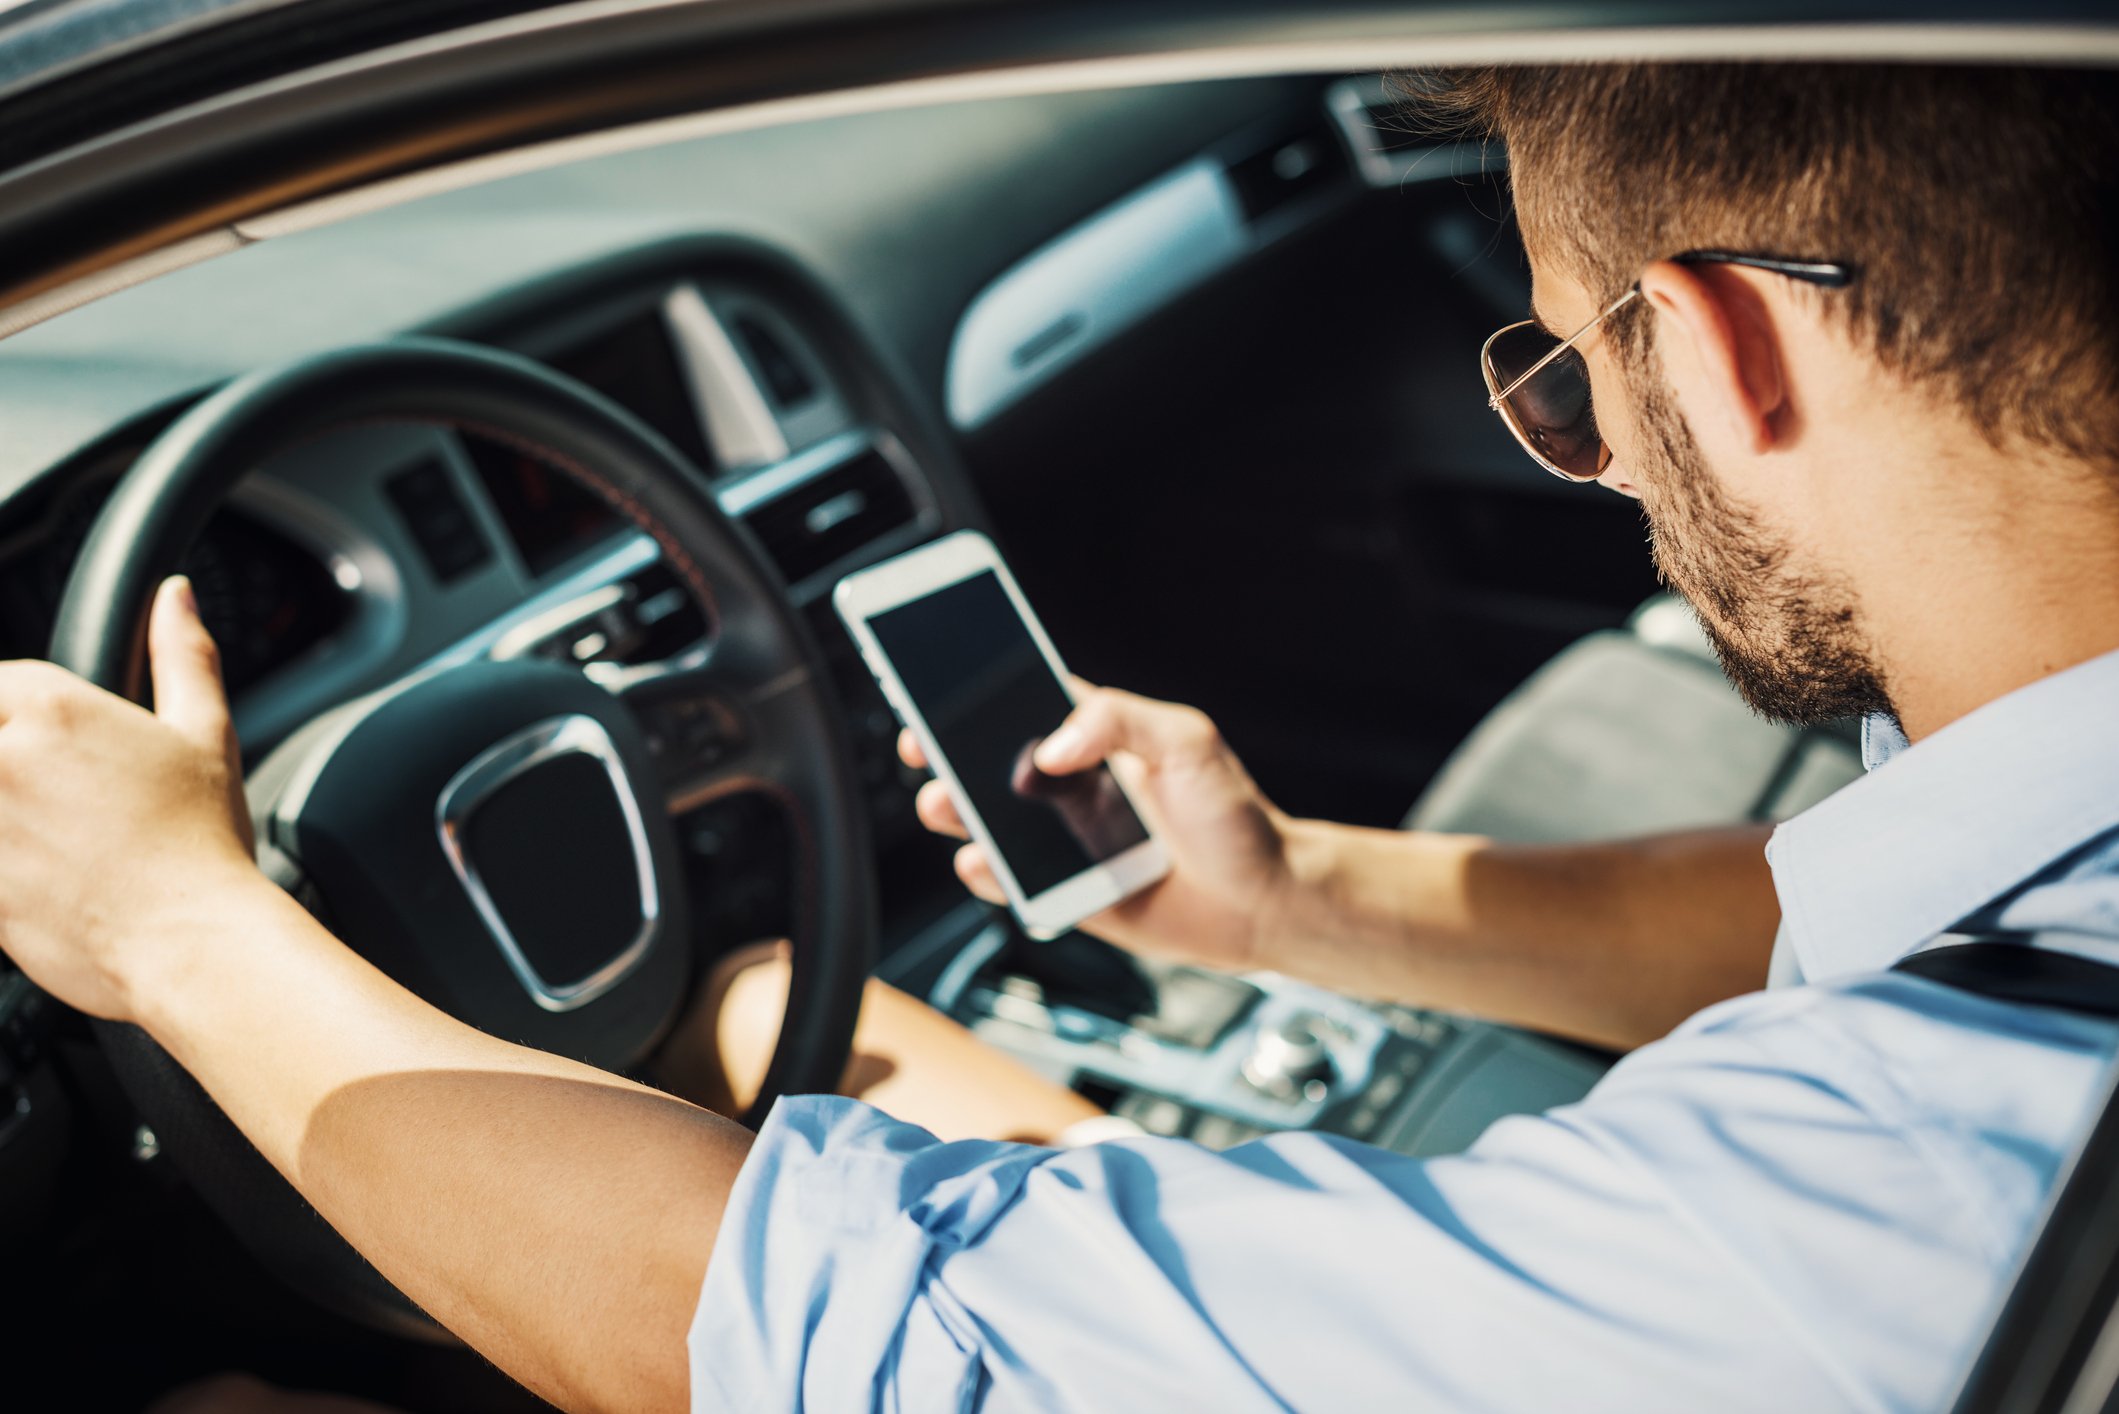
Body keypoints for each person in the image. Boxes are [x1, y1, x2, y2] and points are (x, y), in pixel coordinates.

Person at [8, 59, 2119, 1413]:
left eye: (1571, 376)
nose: (1605, 475)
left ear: (1731, 342)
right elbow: (1893, 909)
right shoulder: (2034, 872)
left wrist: (167, 924)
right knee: (771, 1010)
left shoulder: (1849, 1221)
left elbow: (770, 1343)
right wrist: (1307, 900)